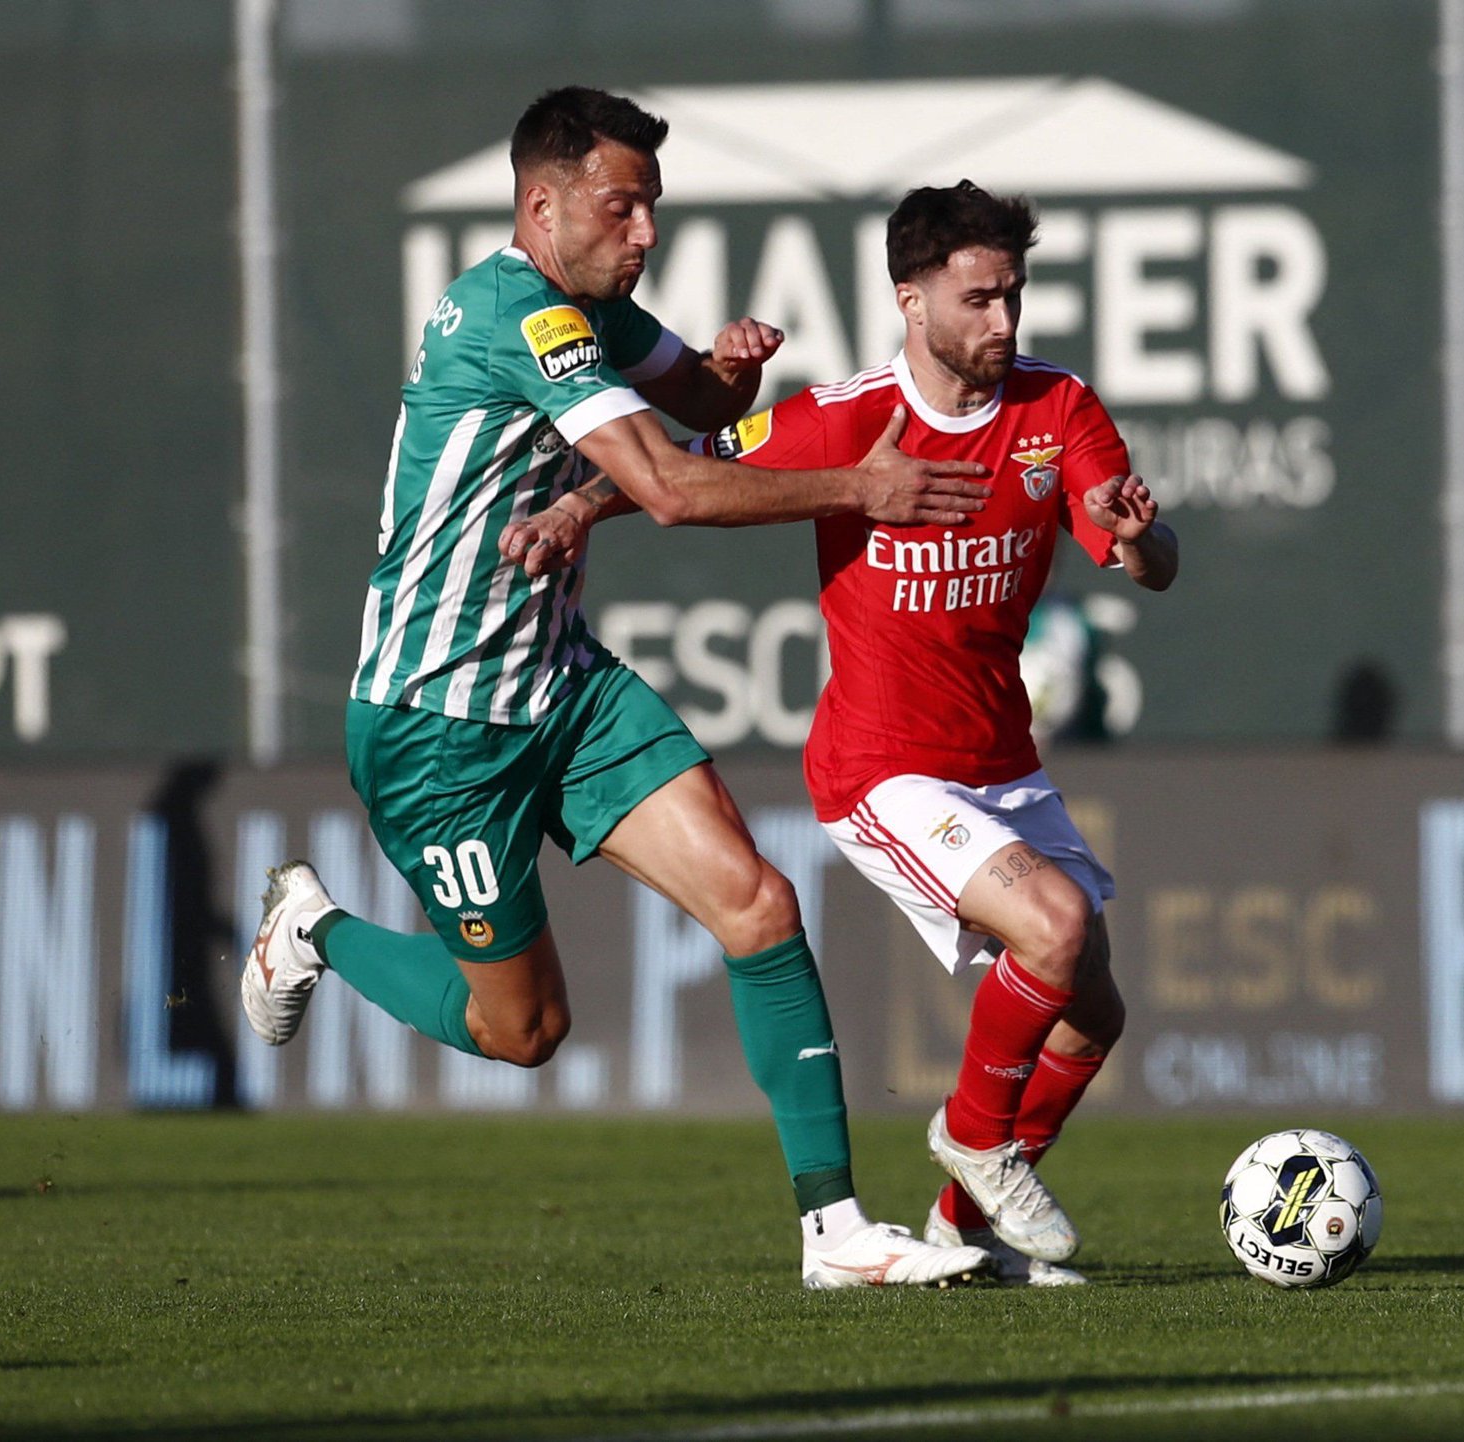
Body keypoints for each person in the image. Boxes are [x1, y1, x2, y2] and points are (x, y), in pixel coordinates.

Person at [240, 87, 998, 1290]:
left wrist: (730, 368)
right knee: (523, 1030)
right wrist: (860, 488)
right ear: (541, 206)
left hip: (561, 686)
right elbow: (668, 487)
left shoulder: (591, 308)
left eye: (651, 206)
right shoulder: (521, 314)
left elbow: (700, 406)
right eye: (620, 206)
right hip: (437, 724)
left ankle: (835, 1232)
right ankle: (312, 927)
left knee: (758, 903)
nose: (644, 231)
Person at [528, 182, 1179, 1284]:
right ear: (910, 301)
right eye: (977, 299)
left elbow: (1145, 558)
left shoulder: (1059, 405)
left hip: (1002, 763)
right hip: (883, 769)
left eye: (1013, 294)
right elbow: (685, 463)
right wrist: (580, 505)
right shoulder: (846, 417)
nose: (1003, 320)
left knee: (1091, 1013)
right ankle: (973, 1138)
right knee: (1057, 927)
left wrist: (1139, 542)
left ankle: (962, 1229)